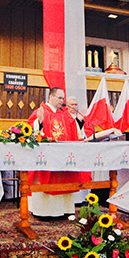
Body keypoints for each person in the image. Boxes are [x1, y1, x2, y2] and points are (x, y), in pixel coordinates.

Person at [26, 87, 87, 218]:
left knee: (63, 179)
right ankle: (44, 212)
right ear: (51, 97)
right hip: (47, 157)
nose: (62, 101)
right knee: (48, 181)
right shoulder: (41, 111)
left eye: (63, 98)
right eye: (59, 98)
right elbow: (31, 130)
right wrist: (39, 122)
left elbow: (74, 132)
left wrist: (79, 123)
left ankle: (64, 210)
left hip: (62, 157)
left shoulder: (63, 114)